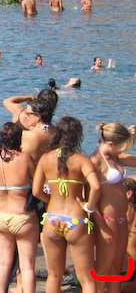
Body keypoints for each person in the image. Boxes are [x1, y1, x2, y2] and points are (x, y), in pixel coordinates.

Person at [32, 117, 100, 293]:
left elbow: (36, 191)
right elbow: (96, 186)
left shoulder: (46, 158)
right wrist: (89, 206)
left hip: (52, 219)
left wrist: (51, 201)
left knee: (54, 275)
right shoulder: (82, 160)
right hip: (75, 220)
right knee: (87, 279)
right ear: (77, 136)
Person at [0, 122, 38, 293]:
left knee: (4, 261)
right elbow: (37, 183)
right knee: (27, 265)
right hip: (23, 217)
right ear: (19, 138)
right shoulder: (25, 158)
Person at [89, 122, 136, 293]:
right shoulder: (95, 161)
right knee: (103, 269)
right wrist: (102, 227)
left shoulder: (114, 156)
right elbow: (90, 199)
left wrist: (132, 137)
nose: (122, 150)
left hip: (121, 218)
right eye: (120, 147)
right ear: (110, 144)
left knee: (116, 268)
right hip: (107, 219)